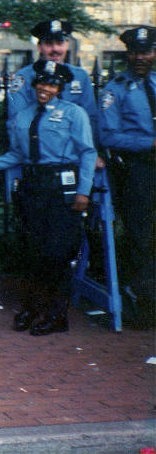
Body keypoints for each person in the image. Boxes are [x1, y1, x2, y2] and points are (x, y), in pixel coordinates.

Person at [0, 60, 95, 335]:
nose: (45, 89)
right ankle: (32, 308)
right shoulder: (24, 116)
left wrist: (83, 191)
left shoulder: (75, 114)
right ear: (35, 84)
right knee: (32, 252)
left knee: (57, 253)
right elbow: (17, 153)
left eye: (51, 84)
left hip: (62, 187)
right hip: (33, 186)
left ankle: (56, 314)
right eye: (41, 83)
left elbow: (87, 152)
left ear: (60, 87)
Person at [98, 25, 156, 329]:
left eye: (145, 52)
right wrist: (150, 144)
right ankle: (144, 305)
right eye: (134, 52)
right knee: (141, 237)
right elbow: (108, 136)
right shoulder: (114, 90)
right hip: (138, 170)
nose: (139, 58)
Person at [7, 20, 98, 138]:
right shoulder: (24, 77)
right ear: (40, 47)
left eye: (60, 43)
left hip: (76, 146)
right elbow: (16, 121)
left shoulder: (80, 76)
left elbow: (90, 118)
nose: (55, 49)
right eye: (49, 43)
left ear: (67, 44)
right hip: (38, 144)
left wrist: (89, 152)